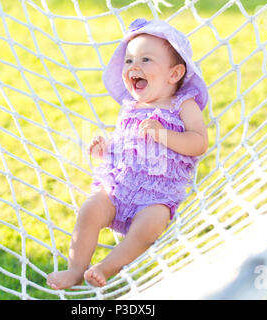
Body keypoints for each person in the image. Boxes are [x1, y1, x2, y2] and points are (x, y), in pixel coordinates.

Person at [46, 18, 209, 289]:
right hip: (118, 188)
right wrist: (105, 147)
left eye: (146, 60)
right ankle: (76, 269)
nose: (134, 66)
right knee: (89, 210)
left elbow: (199, 142)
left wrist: (162, 134)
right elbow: (125, 144)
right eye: (129, 60)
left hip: (156, 196)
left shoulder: (183, 105)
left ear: (174, 73)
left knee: (150, 225)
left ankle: (107, 267)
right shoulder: (131, 106)